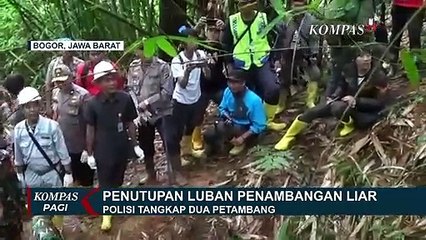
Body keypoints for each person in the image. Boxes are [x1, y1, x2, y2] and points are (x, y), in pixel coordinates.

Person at [275, 50, 391, 151]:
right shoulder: (349, 70)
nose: (366, 59)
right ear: (355, 59)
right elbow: (341, 86)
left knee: (337, 107)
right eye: (361, 56)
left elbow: (381, 103)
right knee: (314, 111)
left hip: (362, 110)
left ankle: (349, 124)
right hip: (343, 102)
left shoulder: (378, 76)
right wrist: (333, 96)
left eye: (368, 56)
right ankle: (288, 136)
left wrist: (357, 101)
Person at [84, 60, 144, 231]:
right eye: (106, 80)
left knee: (118, 177)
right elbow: (90, 129)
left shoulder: (124, 99)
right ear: (98, 83)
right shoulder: (92, 104)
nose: (111, 83)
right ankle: (106, 213)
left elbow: (130, 123)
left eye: (113, 79)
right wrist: (89, 153)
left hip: (121, 144)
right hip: (103, 147)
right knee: (105, 180)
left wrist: (135, 145)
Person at [13, 87, 73, 232]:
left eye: (35, 105)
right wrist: (20, 174)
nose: (32, 109)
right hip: (32, 173)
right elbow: (18, 154)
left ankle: (58, 230)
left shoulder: (51, 126)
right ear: (23, 109)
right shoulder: (19, 129)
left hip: (51, 172)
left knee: (57, 206)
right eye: (28, 106)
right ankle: (43, 232)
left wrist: (68, 173)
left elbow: (62, 151)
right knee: (38, 208)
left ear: (40, 105)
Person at [221, 0, 286, 131]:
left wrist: (277, 58)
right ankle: (246, 124)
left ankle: (267, 120)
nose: (245, 7)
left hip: (262, 60)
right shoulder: (232, 21)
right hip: (241, 63)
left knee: (272, 89)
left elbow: (278, 36)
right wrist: (228, 63)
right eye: (242, 4)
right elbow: (226, 44)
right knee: (244, 95)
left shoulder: (264, 17)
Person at [127, 47, 174, 185]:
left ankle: (173, 174)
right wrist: (138, 107)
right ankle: (151, 175)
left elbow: (167, 92)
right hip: (142, 115)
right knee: (146, 145)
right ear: (137, 52)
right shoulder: (133, 67)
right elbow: (130, 89)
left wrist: (147, 102)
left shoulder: (162, 66)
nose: (145, 52)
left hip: (162, 111)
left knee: (169, 143)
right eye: (141, 50)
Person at [170, 30, 211, 184]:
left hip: (196, 97)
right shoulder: (177, 60)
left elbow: (208, 76)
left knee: (193, 124)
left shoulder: (201, 54)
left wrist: (205, 66)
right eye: (190, 40)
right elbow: (182, 84)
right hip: (180, 100)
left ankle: (188, 150)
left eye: (195, 39)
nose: (193, 42)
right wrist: (188, 69)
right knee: (178, 128)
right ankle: (179, 154)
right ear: (184, 42)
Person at [204, 69, 266, 156]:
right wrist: (225, 115)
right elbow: (222, 108)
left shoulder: (254, 100)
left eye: (235, 83)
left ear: (243, 83)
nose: (232, 85)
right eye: (230, 82)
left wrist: (242, 138)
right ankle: (216, 149)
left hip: (245, 127)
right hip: (230, 123)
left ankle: (239, 144)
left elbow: (260, 125)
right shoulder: (228, 91)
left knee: (231, 130)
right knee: (208, 133)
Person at [189, 16, 228, 157]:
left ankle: (226, 134)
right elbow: (187, 42)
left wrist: (224, 29)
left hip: (219, 85)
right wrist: (197, 28)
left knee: (228, 108)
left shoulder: (222, 47)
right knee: (197, 114)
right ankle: (196, 138)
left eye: (216, 31)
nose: (213, 33)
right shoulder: (199, 46)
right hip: (202, 87)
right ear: (205, 31)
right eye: (210, 30)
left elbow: (230, 46)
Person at [51, 64, 94, 187]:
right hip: (63, 145)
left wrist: (88, 149)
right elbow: (56, 114)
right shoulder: (56, 93)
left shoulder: (82, 95)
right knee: (70, 181)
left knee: (86, 182)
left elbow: (89, 123)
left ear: (71, 77)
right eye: (58, 81)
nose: (60, 84)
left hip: (79, 146)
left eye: (63, 80)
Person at [275, 0, 321, 111]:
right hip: (288, 51)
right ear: (291, 6)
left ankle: (310, 100)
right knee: (284, 77)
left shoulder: (311, 20)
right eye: (295, 5)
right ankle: (281, 103)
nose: (298, 8)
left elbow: (314, 39)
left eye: (301, 6)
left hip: (305, 52)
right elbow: (280, 37)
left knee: (315, 74)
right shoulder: (286, 18)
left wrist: (313, 55)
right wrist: (278, 55)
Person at [45, 38, 84, 117]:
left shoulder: (80, 64)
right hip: (58, 99)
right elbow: (48, 85)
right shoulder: (54, 64)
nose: (66, 51)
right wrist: (48, 106)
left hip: (76, 99)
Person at [389, 0, 424, 72]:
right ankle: (392, 66)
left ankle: (414, 68)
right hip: (398, 5)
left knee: (414, 37)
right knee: (395, 37)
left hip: (415, 6)